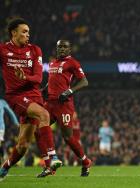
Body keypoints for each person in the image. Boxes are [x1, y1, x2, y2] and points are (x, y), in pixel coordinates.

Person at [0, 18, 62, 180]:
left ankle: (4, 167)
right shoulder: (3, 50)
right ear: (14, 33)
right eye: (24, 31)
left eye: (28, 31)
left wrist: (24, 76)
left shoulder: (35, 50)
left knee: (22, 146)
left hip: (34, 96)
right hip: (16, 96)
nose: (28, 35)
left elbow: (38, 78)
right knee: (44, 115)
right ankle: (52, 157)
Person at [35, 40, 91, 177]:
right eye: (59, 46)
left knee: (67, 137)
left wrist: (69, 91)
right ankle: (49, 165)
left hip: (64, 105)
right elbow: (52, 81)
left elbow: (84, 81)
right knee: (37, 130)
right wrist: (44, 89)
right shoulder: (53, 63)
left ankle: (85, 161)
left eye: (65, 46)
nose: (61, 49)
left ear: (69, 49)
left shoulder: (73, 63)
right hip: (50, 104)